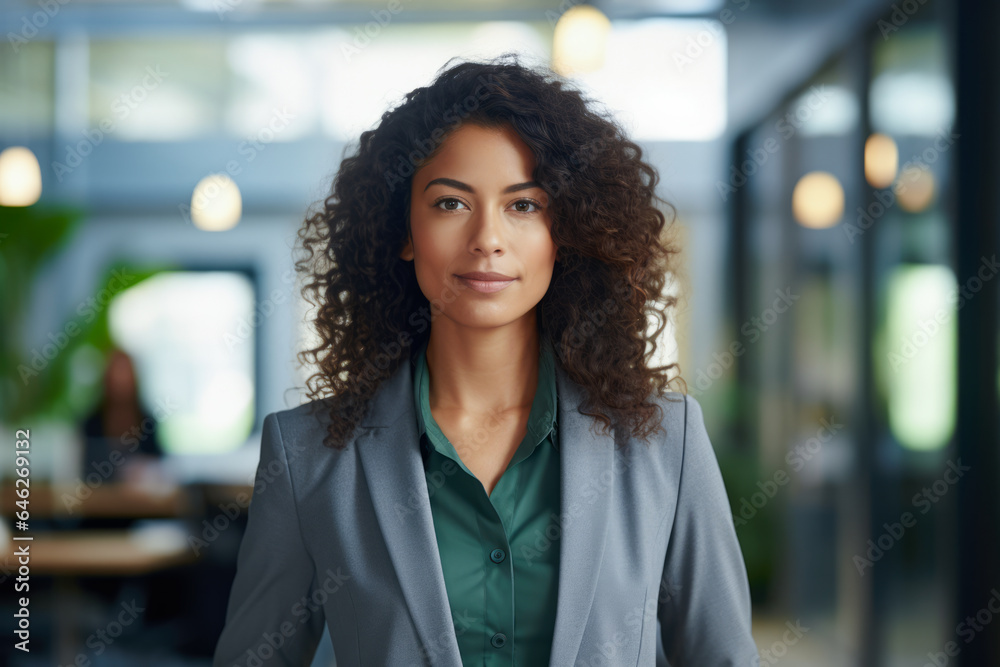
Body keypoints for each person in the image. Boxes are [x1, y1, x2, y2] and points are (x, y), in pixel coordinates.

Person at [214, 52, 757, 667]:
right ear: (401, 229)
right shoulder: (308, 455)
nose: (487, 239)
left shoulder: (666, 444)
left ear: (566, 232)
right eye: (451, 203)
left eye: (524, 205)